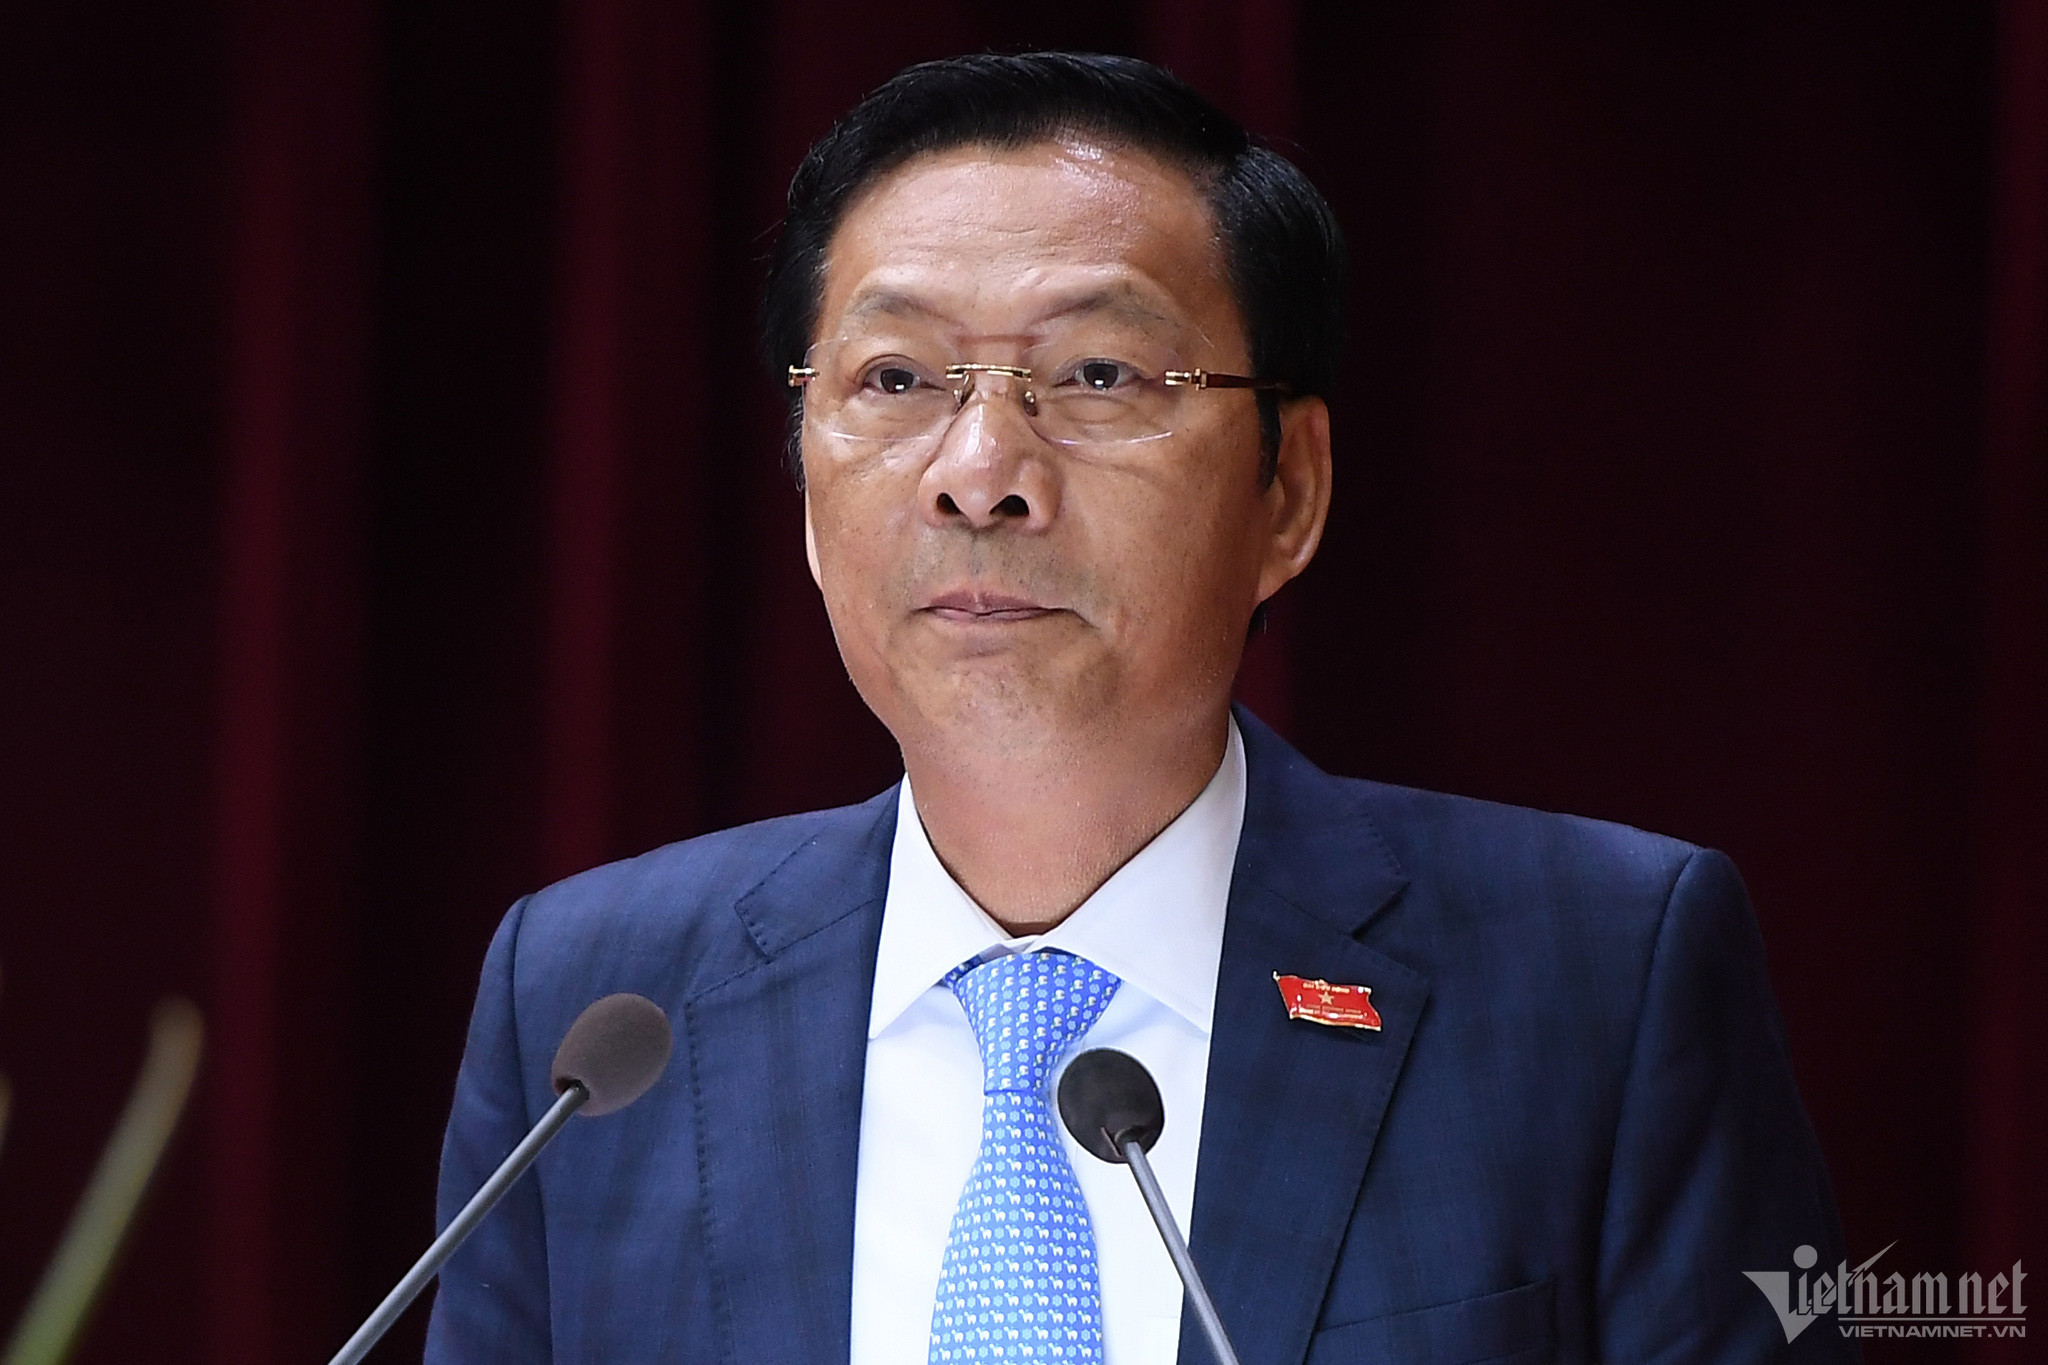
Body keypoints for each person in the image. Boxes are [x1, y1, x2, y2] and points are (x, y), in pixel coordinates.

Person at [425, 52, 1852, 1365]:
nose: (979, 473)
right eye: (896, 378)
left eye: (1098, 375)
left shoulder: (1598, 980)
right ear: (804, 486)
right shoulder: (596, 1011)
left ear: (1286, 490)